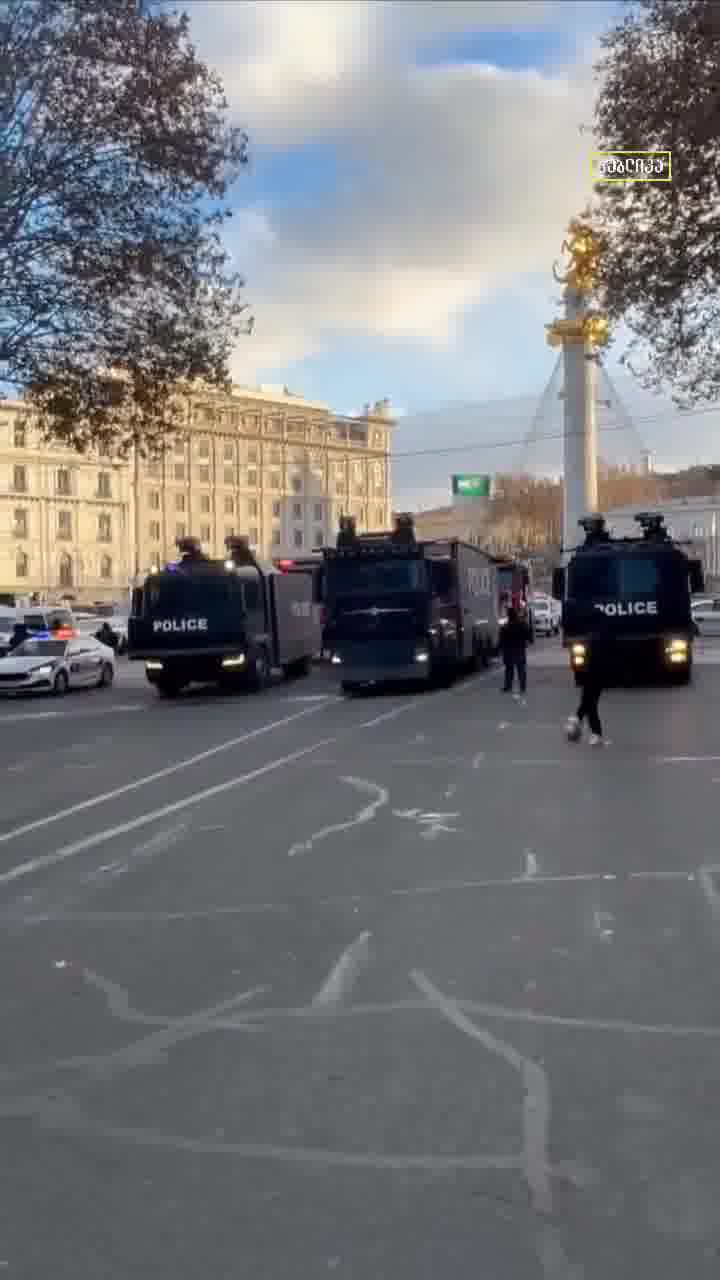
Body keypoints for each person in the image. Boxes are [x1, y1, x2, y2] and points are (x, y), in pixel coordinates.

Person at [566, 626, 614, 747]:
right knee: (589, 704)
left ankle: (582, 727)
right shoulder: (603, 638)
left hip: (592, 676)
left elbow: (589, 660)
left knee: (589, 705)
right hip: (597, 676)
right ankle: (579, 724)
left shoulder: (594, 639)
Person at [499, 605, 532, 699]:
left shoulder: (505, 627)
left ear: (509, 616)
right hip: (520, 649)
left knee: (509, 669)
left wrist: (500, 649)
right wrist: (528, 641)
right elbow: (528, 635)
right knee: (521, 669)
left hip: (508, 651)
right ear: (516, 615)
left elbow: (502, 640)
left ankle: (508, 686)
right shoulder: (522, 624)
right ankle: (522, 687)